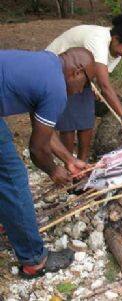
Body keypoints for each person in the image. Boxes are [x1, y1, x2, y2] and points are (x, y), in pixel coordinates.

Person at [0, 47, 95, 278]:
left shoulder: (47, 63)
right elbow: (37, 148)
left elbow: (43, 130)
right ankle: (34, 260)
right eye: (85, 83)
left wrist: (69, 160)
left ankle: (7, 219)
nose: (80, 90)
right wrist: (54, 171)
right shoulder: (56, 89)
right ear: (77, 72)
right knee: (13, 177)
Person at [46, 14, 122, 161]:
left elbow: (99, 79)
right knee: (69, 123)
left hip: (79, 73)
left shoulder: (115, 51)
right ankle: (69, 163)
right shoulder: (98, 39)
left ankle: (83, 164)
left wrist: (94, 86)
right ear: (116, 39)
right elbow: (105, 85)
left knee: (86, 119)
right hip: (57, 71)